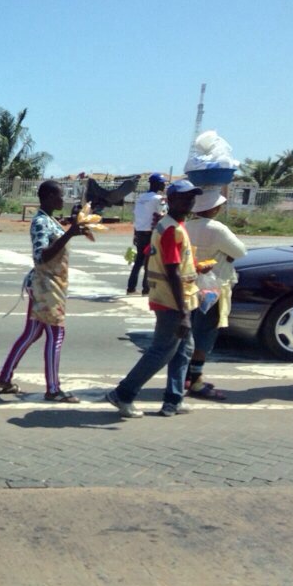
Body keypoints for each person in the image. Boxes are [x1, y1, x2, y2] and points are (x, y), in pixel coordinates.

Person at [106, 179, 203, 418]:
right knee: (161, 352)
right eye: (184, 197)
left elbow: (161, 259)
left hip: (179, 298)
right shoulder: (171, 229)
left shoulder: (170, 226)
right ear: (170, 200)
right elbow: (172, 270)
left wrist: (196, 269)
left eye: (192, 197)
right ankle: (124, 393)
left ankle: (173, 399)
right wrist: (183, 313)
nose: (190, 201)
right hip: (172, 301)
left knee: (183, 351)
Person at [0, 180, 87, 402]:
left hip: (51, 283)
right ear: (47, 197)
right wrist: (69, 234)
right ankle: (53, 389)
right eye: (59, 196)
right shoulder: (40, 222)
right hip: (46, 285)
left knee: (33, 332)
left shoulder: (50, 220)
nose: (62, 200)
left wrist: (72, 230)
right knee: (56, 334)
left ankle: (5, 377)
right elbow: (41, 256)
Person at [183, 189, 247, 400]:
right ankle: (196, 380)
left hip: (189, 287)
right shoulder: (217, 229)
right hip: (211, 289)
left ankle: (186, 376)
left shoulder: (185, 227)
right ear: (214, 209)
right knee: (205, 336)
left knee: (189, 333)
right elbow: (240, 251)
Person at [126, 173, 167, 295]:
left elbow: (137, 216)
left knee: (139, 261)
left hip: (139, 231)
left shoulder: (141, 198)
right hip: (151, 232)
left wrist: (135, 233)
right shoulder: (158, 199)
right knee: (150, 261)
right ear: (157, 184)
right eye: (162, 182)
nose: (164, 184)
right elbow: (163, 213)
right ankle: (146, 288)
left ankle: (131, 287)